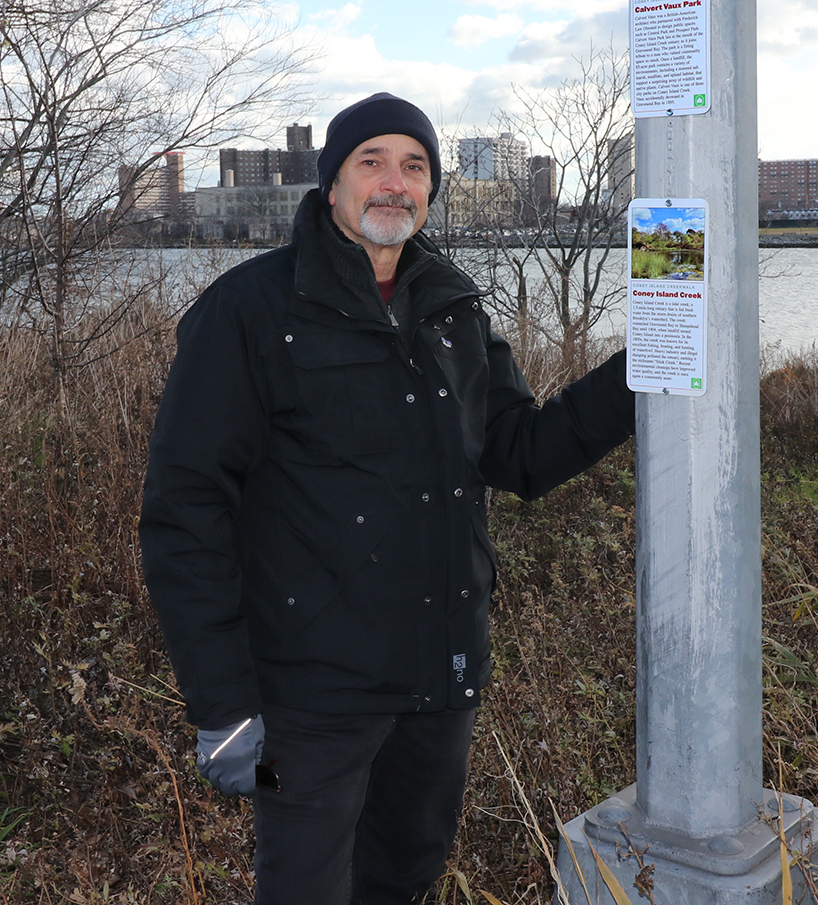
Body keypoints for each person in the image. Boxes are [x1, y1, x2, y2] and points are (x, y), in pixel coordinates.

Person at [139, 92, 635, 904]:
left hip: (438, 687)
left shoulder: (453, 310)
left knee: (405, 878)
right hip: (307, 701)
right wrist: (222, 704)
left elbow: (522, 454)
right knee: (304, 888)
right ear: (331, 183)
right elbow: (184, 513)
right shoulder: (251, 311)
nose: (393, 183)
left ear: (431, 190)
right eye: (370, 162)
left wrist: (641, 366)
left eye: (413, 166)